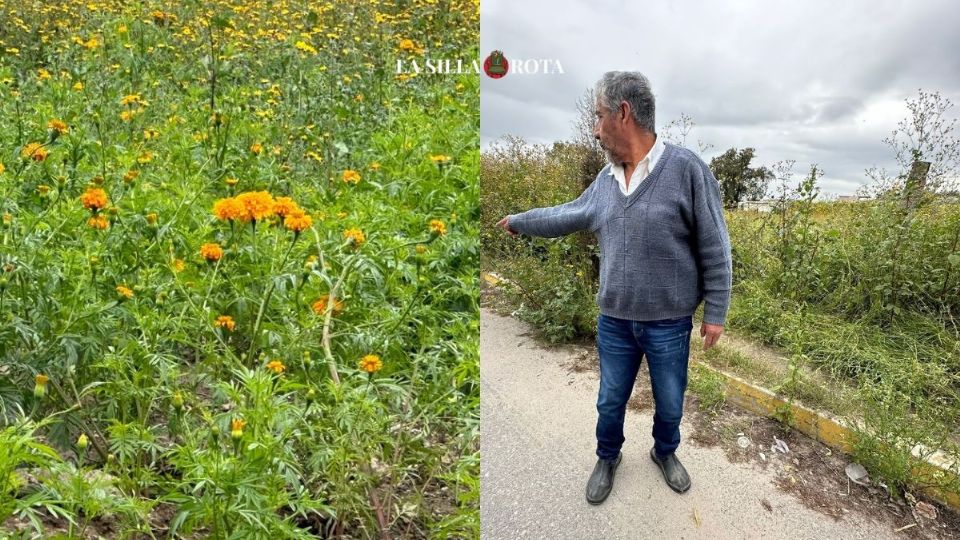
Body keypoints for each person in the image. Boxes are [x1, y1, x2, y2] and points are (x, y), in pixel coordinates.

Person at [495, 71, 732, 505]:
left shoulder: (687, 170)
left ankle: (665, 452)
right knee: (609, 401)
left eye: (599, 116)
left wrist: (716, 311)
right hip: (615, 323)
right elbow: (567, 213)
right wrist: (521, 221)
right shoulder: (605, 181)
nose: (595, 128)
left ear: (623, 113)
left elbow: (716, 245)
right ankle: (608, 458)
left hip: (669, 323)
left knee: (671, 402)